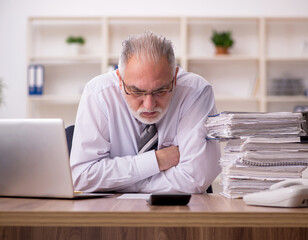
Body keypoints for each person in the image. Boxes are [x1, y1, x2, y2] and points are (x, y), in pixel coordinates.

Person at [70, 32, 221, 193]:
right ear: (120, 80)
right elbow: (82, 177)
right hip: (112, 212)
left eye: (161, 90)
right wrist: (156, 161)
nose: (149, 105)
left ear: (175, 78)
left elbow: (194, 179)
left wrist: (117, 183)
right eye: (136, 91)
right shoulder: (98, 93)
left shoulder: (195, 92)